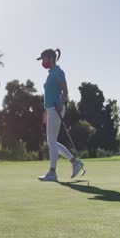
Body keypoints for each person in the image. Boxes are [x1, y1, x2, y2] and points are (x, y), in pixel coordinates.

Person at [36, 48, 84, 181]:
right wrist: (47, 110)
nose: (43, 62)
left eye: (44, 59)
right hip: (51, 109)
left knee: (51, 142)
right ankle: (75, 162)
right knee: (52, 142)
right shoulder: (51, 73)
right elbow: (50, 94)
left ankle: (52, 173)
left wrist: (61, 103)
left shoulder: (58, 72)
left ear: (51, 58)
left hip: (57, 108)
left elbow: (65, 91)